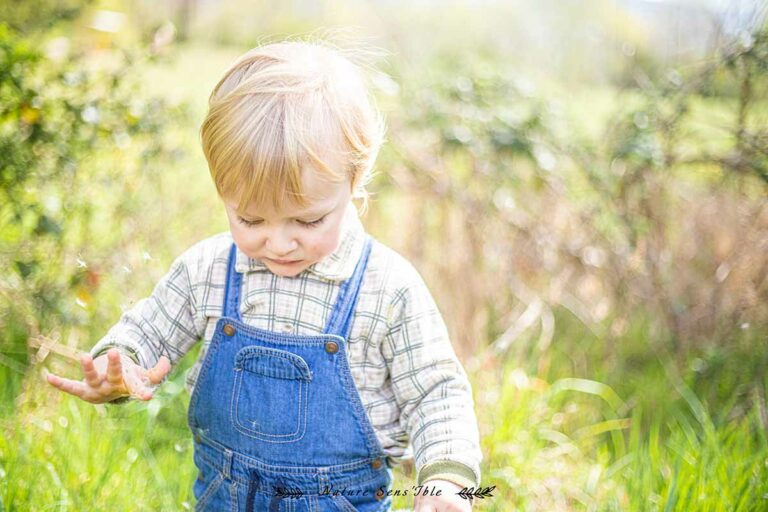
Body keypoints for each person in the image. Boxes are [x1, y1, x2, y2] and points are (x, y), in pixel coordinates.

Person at [45, 39, 482, 512]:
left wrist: (446, 479)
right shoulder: (207, 269)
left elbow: (436, 393)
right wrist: (122, 364)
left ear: (355, 181)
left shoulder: (388, 289)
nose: (278, 243)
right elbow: (149, 327)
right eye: (250, 220)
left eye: (308, 221)